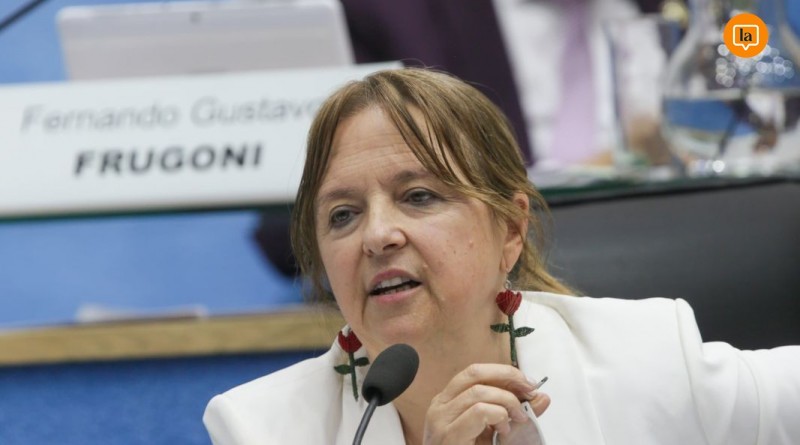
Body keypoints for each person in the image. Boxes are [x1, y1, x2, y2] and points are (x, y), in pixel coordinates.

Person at [204, 68, 800, 444]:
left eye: (418, 196)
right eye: (342, 215)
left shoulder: (649, 360)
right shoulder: (262, 428)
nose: (377, 235)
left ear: (511, 229)